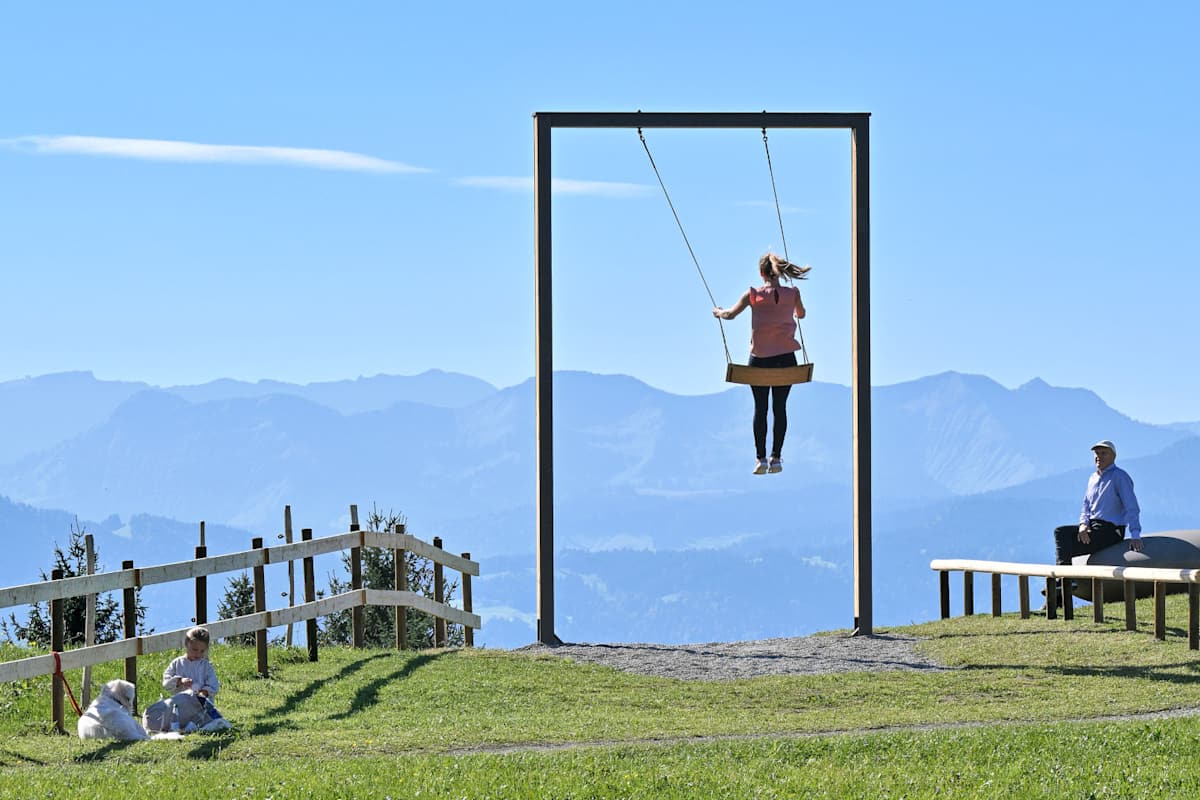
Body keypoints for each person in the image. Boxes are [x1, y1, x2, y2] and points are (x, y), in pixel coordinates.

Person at [714, 252, 810, 474]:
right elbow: (802, 315)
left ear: (761, 273)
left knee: (761, 408)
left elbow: (730, 315)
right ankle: (776, 458)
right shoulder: (793, 293)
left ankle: (761, 459)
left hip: (760, 360)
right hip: (786, 359)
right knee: (780, 407)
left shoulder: (753, 295)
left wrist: (719, 312)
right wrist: (793, 307)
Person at [1053, 439, 1144, 569]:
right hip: (1094, 528)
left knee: (1064, 546)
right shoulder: (1093, 478)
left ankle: (1063, 581)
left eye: (1103, 453)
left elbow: (1132, 507)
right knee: (1062, 538)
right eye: (1096, 453)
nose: (1098, 457)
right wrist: (1083, 525)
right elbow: (1086, 506)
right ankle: (1064, 581)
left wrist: (1135, 534)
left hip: (1111, 530)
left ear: (1113, 456)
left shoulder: (1120, 477)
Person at [162, 626, 219, 700]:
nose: (198, 654)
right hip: (181, 705)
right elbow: (166, 683)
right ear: (186, 644)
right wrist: (180, 681)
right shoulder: (177, 663)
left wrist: (203, 693)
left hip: (201, 707)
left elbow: (213, 685)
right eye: (195, 649)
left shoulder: (206, 666)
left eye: (202, 651)